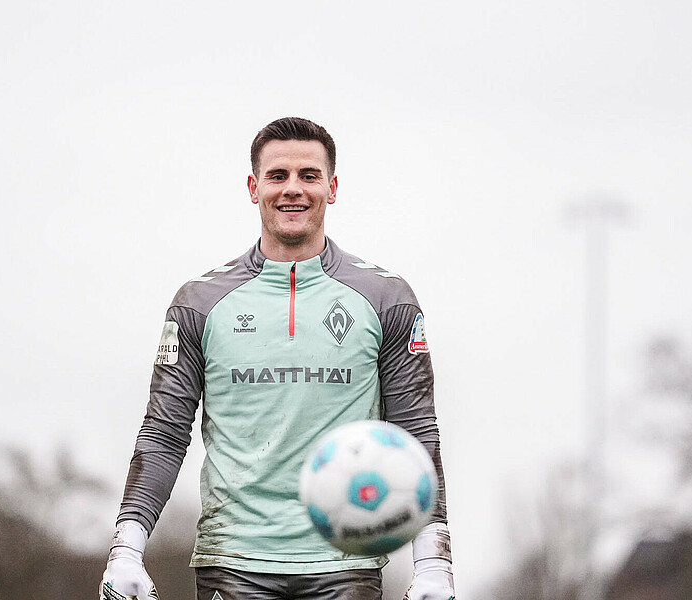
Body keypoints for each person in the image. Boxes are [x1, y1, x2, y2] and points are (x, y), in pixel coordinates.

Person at [100, 117, 456, 600]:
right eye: (278, 176)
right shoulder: (199, 302)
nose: (293, 189)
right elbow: (164, 433)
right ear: (253, 187)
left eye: (309, 176)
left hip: (344, 562)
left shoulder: (386, 297)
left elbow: (416, 431)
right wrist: (126, 549)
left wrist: (434, 562)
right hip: (233, 561)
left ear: (332, 188)